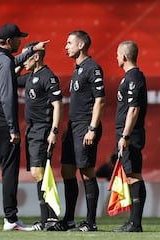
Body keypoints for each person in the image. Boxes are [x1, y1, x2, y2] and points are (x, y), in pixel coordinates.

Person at [0, 23, 49, 231]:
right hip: (2, 125)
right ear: (9, 42)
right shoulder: (4, 62)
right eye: (18, 38)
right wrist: (12, 128)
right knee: (9, 171)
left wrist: (30, 51)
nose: (21, 41)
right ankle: (10, 219)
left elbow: (8, 62)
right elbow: (7, 96)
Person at [48, 30, 106, 232]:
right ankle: (69, 219)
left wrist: (92, 128)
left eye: (69, 42)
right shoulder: (77, 69)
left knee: (87, 172)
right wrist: (68, 128)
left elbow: (100, 100)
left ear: (81, 45)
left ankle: (91, 222)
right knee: (67, 171)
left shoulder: (93, 68)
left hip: (86, 127)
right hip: (74, 128)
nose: (66, 46)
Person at [16, 42, 63, 231]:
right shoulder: (30, 77)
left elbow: (57, 105)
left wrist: (54, 131)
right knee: (38, 174)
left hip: (43, 129)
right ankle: (48, 219)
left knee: (39, 173)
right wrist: (21, 59)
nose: (23, 60)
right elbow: (11, 76)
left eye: (26, 56)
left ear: (36, 57)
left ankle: (48, 219)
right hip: (31, 130)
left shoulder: (48, 77)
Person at [112, 40, 147, 232]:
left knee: (134, 175)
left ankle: (135, 223)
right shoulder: (128, 77)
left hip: (131, 135)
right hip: (126, 134)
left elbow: (134, 109)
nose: (116, 57)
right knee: (131, 175)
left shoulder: (134, 77)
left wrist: (125, 135)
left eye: (117, 54)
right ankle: (133, 222)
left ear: (124, 56)